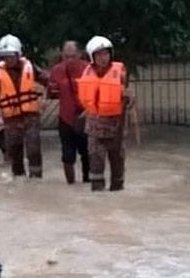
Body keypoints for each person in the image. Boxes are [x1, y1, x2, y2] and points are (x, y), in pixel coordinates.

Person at [78, 35, 133, 191]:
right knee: (96, 165)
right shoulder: (87, 73)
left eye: (106, 53)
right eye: (99, 54)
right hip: (95, 129)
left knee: (117, 165)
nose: (103, 58)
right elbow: (88, 101)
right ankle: (97, 201)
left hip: (115, 129)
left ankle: (117, 192)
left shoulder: (120, 73)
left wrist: (128, 96)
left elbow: (127, 98)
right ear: (92, 57)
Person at [0, 34, 50, 178]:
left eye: (10, 56)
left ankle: (36, 179)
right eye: (4, 57)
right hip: (11, 118)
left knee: (33, 148)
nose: (8, 60)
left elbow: (48, 82)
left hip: (30, 116)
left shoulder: (31, 68)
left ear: (18, 54)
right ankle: (19, 179)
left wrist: (45, 100)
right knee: (14, 150)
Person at [48, 40, 90, 184]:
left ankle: (88, 184)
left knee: (88, 154)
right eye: (66, 56)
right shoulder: (57, 70)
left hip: (85, 117)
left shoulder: (89, 69)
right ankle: (70, 186)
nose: (69, 60)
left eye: (72, 56)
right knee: (67, 155)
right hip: (66, 119)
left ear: (80, 54)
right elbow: (52, 92)